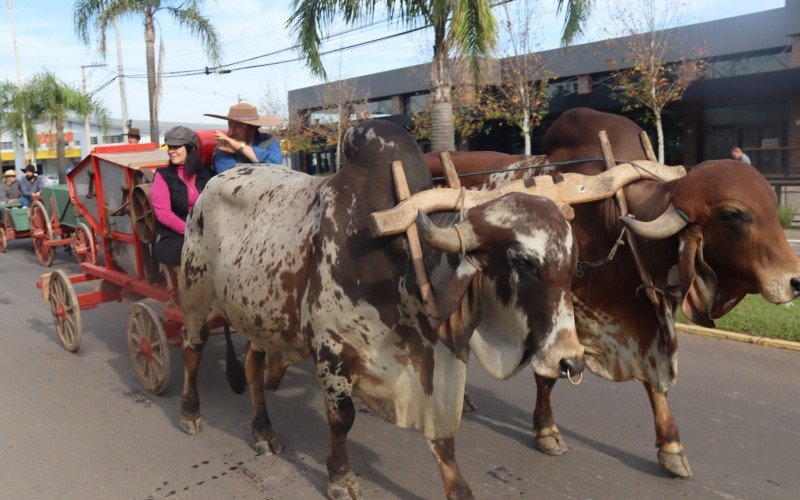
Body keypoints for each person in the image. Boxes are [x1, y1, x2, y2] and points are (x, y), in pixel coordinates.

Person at [151, 126, 214, 267]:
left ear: (190, 148)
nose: (171, 151)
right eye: (169, 147)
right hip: (173, 237)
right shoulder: (163, 176)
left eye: (176, 147)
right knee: (204, 252)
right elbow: (164, 214)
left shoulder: (205, 174)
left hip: (206, 232)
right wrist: (193, 231)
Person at [204, 102, 283, 173]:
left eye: (237, 127)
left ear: (253, 127)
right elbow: (232, 177)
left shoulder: (268, 140)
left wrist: (239, 146)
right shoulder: (223, 148)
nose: (230, 133)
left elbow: (275, 166)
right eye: (230, 125)